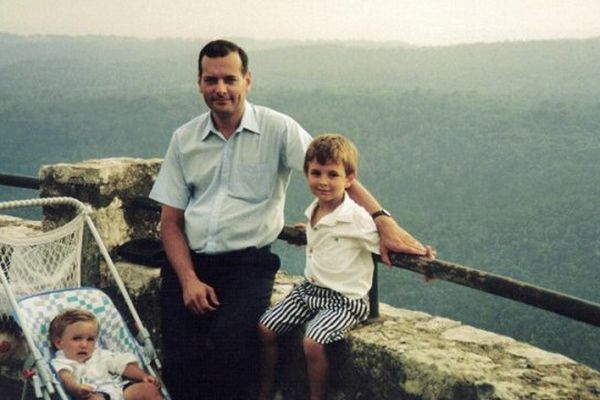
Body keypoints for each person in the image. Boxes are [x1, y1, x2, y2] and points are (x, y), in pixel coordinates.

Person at [149, 39, 432, 400]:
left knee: (231, 349)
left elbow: (334, 170)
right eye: (211, 80)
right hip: (190, 263)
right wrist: (188, 280)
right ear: (199, 83)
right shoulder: (184, 138)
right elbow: (170, 222)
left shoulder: (278, 129)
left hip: (246, 264)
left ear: (247, 81)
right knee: (179, 361)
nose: (220, 89)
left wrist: (382, 220)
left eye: (230, 79)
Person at [257, 134, 380, 400]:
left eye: (332, 175)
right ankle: (265, 389)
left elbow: (385, 241)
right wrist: (311, 233)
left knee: (312, 343)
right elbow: (324, 233)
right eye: (316, 173)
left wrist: (420, 253)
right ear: (306, 173)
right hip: (310, 291)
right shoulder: (316, 209)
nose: (323, 181)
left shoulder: (356, 218)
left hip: (345, 300)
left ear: (349, 179)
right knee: (265, 327)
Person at [49, 309, 162, 400]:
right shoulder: (61, 362)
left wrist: (143, 376)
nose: (84, 344)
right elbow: (66, 379)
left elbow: (121, 365)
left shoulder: (99, 354)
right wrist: (77, 390)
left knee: (148, 389)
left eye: (90, 339)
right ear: (59, 343)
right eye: (77, 338)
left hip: (117, 389)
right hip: (92, 394)